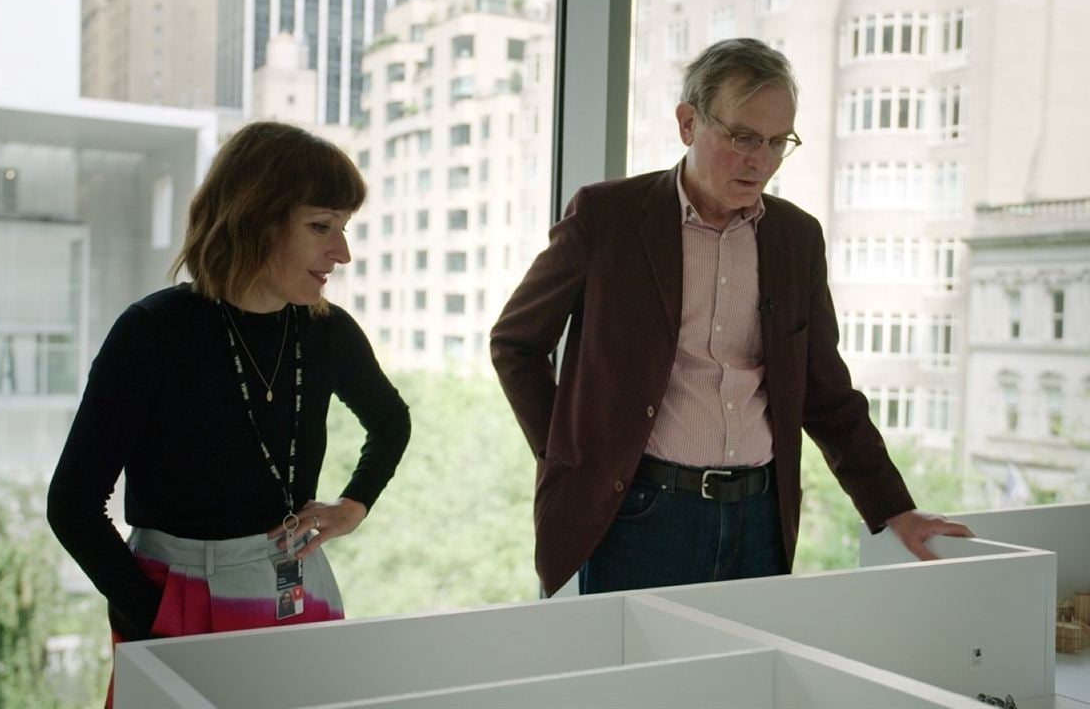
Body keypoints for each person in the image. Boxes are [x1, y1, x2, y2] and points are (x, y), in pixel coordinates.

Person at [490, 39, 970, 598]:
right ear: (688, 123)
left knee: (747, 685)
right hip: (639, 519)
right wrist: (567, 456)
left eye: (776, 142)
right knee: (639, 686)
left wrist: (895, 508)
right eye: (742, 136)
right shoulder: (607, 217)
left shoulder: (796, 238)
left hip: (760, 522)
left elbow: (826, 391)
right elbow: (516, 343)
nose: (759, 160)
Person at [47, 121, 410, 704]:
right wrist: (152, 615)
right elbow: (72, 505)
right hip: (173, 597)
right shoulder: (151, 332)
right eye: (321, 227)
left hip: (297, 586)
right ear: (254, 217)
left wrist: (354, 505)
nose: (341, 253)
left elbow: (391, 421)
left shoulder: (328, 331)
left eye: (343, 229)